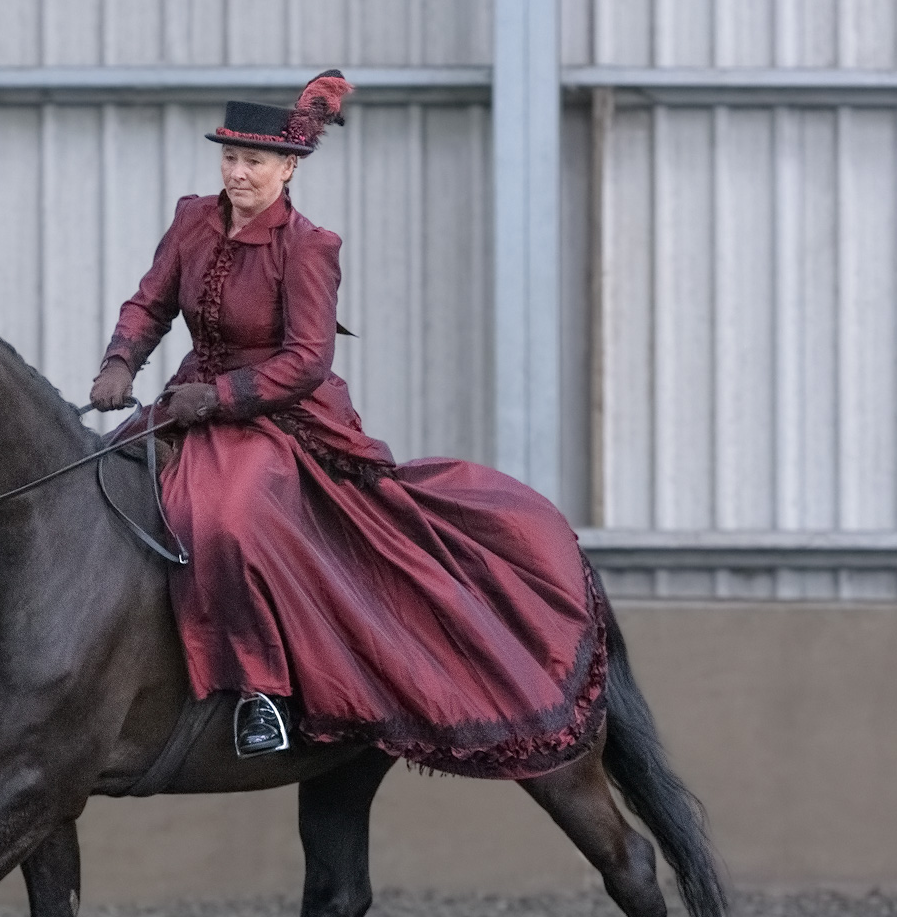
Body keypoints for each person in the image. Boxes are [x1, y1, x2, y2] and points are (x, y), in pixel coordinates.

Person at [91, 71, 607, 771]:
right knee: (108, 482)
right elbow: (150, 302)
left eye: (253, 161)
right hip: (190, 398)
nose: (237, 173)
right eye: (229, 158)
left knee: (232, 518)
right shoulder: (191, 220)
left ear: (288, 167)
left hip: (276, 412)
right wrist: (121, 361)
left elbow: (305, 359)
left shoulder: (308, 246)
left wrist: (220, 398)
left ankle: (259, 694)